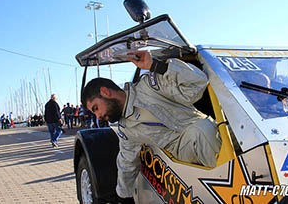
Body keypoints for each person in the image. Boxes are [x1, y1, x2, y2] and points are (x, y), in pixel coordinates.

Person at [82, 50, 221, 201]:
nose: (98, 116)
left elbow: (197, 82)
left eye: (96, 108)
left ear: (105, 92)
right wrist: (123, 195)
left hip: (215, 131)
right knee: (200, 131)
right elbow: (126, 163)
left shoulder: (149, 86)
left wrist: (155, 65)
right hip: (185, 153)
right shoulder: (126, 130)